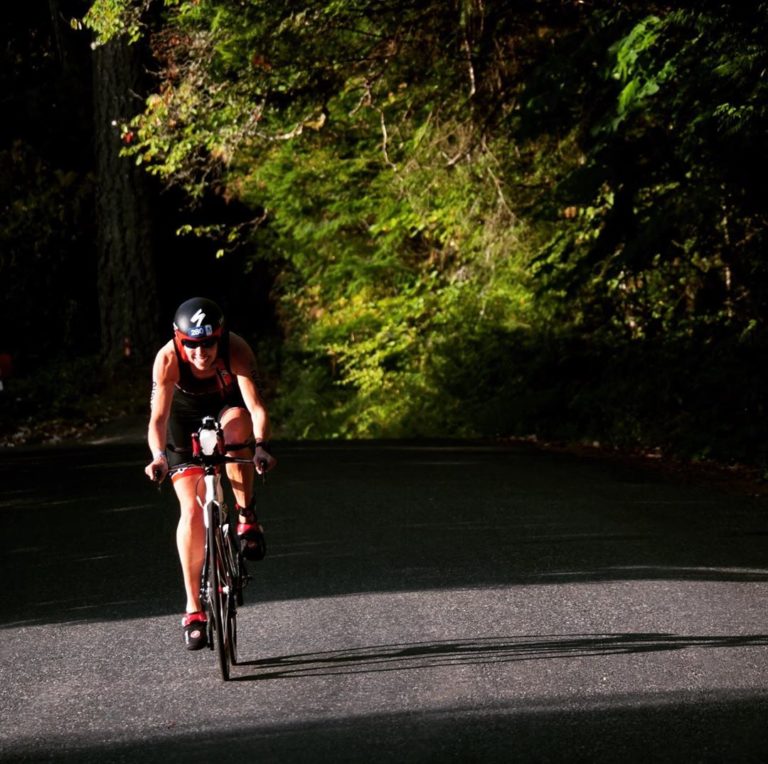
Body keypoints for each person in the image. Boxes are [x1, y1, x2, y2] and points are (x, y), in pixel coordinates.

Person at [144, 297, 276, 650]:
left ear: (221, 337)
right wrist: (157, 456)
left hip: (227, 408)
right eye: (192, 344)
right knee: (191, 510)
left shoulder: (236, 349)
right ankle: (194, 609)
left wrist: (261, 445)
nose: (201, 352)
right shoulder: (168, 358)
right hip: (182, 423)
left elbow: (256, 406)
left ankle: (246, 516)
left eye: (208, 343)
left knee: (237, 432)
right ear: (178, 339)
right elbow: (157, 419)